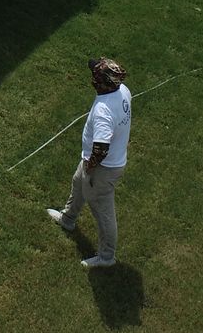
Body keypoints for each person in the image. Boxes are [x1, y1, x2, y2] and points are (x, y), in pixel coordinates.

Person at [48, 57, 132, 269]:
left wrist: (91, 167)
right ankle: (68, 218)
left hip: (102, 169)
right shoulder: (123, 90)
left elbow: (101, 148)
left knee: (102, 211)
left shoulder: (104, 110)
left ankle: (106, 257)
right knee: (78, 182)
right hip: (103, 160)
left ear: (101, 83)